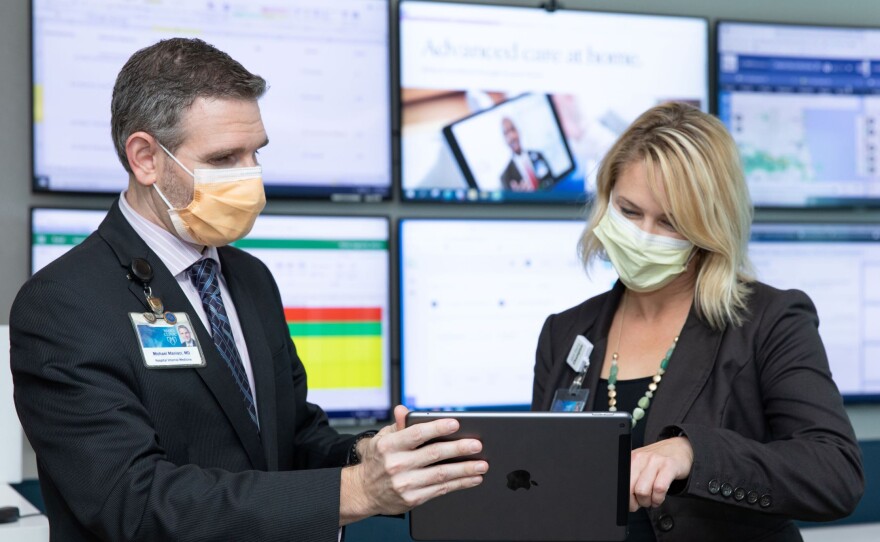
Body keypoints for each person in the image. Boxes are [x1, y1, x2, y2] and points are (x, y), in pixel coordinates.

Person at [10, 38, 487, 542]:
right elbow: (133, 502)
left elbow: (291, 438)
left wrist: (366, 455)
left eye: (254, 153)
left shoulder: (249, 277)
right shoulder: (64, 304)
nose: (250, 178)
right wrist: (356, 491)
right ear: (145, 158)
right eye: (223, 158)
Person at [531, 102, 863, 541]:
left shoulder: (769, 321)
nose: (643, 235)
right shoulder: (567, 332)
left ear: (709, 230)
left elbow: (834, 473)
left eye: (669, 222)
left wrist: (693, 454)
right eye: (629, 211)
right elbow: (539, 487)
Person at [499, 116, 553, 191]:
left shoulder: (538, 155)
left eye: (513, 129)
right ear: (504, 139)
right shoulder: (505, 177)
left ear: (518, 131)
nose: (512, 136)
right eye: (506, 133)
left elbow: (552, 180)